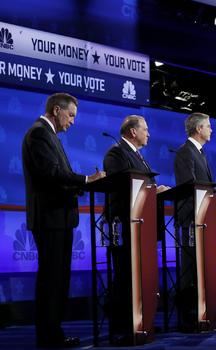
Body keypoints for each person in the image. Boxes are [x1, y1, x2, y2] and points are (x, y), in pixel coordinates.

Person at [22, 92, 105, 347]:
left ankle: (53, 333)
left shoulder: (50, 135)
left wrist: (81, 185)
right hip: (50, 218)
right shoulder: (39, 133)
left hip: (59, 218)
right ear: (57, 110)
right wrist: (86, 180)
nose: (72, 122)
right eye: (71, 115)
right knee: (52, 279)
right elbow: (51, 173)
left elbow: (60, 176)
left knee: (58, 279)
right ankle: (48, 336)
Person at [103, 115, 169, 341]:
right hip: (125, 227)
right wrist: (152, 191)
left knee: (140, 276)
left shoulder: (139, 156)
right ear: (133, 132)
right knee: (125, 276)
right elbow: (121, 187)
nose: (149, 134)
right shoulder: (116, 153)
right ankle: (123, 327)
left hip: (143, 226)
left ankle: (142, 321)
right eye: (145, 129)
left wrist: (153, 190)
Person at [172, 112, 216, 330]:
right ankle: (188, 316)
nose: (211, 129)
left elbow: (204, 184)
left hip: (203, 217)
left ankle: (202, 311)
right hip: (190, 219)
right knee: (190, 269)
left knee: (201, 267)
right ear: (198, 129)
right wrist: (213, 195)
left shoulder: (200, 153)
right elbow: (190, 185)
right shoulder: (185, 152)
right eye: (208, 126)